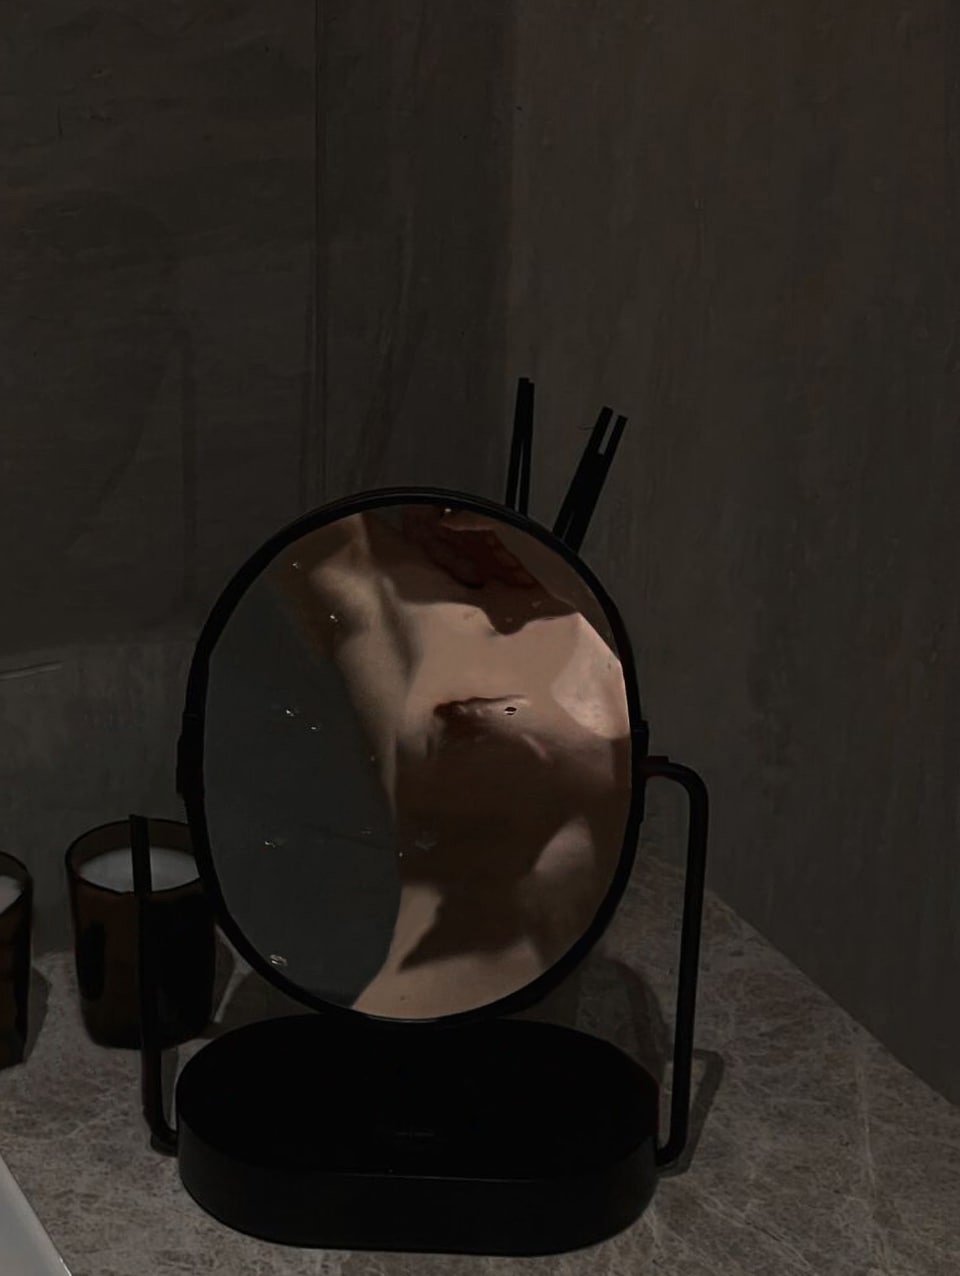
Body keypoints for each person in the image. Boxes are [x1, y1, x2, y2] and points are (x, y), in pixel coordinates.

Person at [268, 504, 632, 1018]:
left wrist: (547, 564)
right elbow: (315, 543)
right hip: (425, 1011)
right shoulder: (386, 598)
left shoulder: (588, 642)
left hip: (517, 1013)